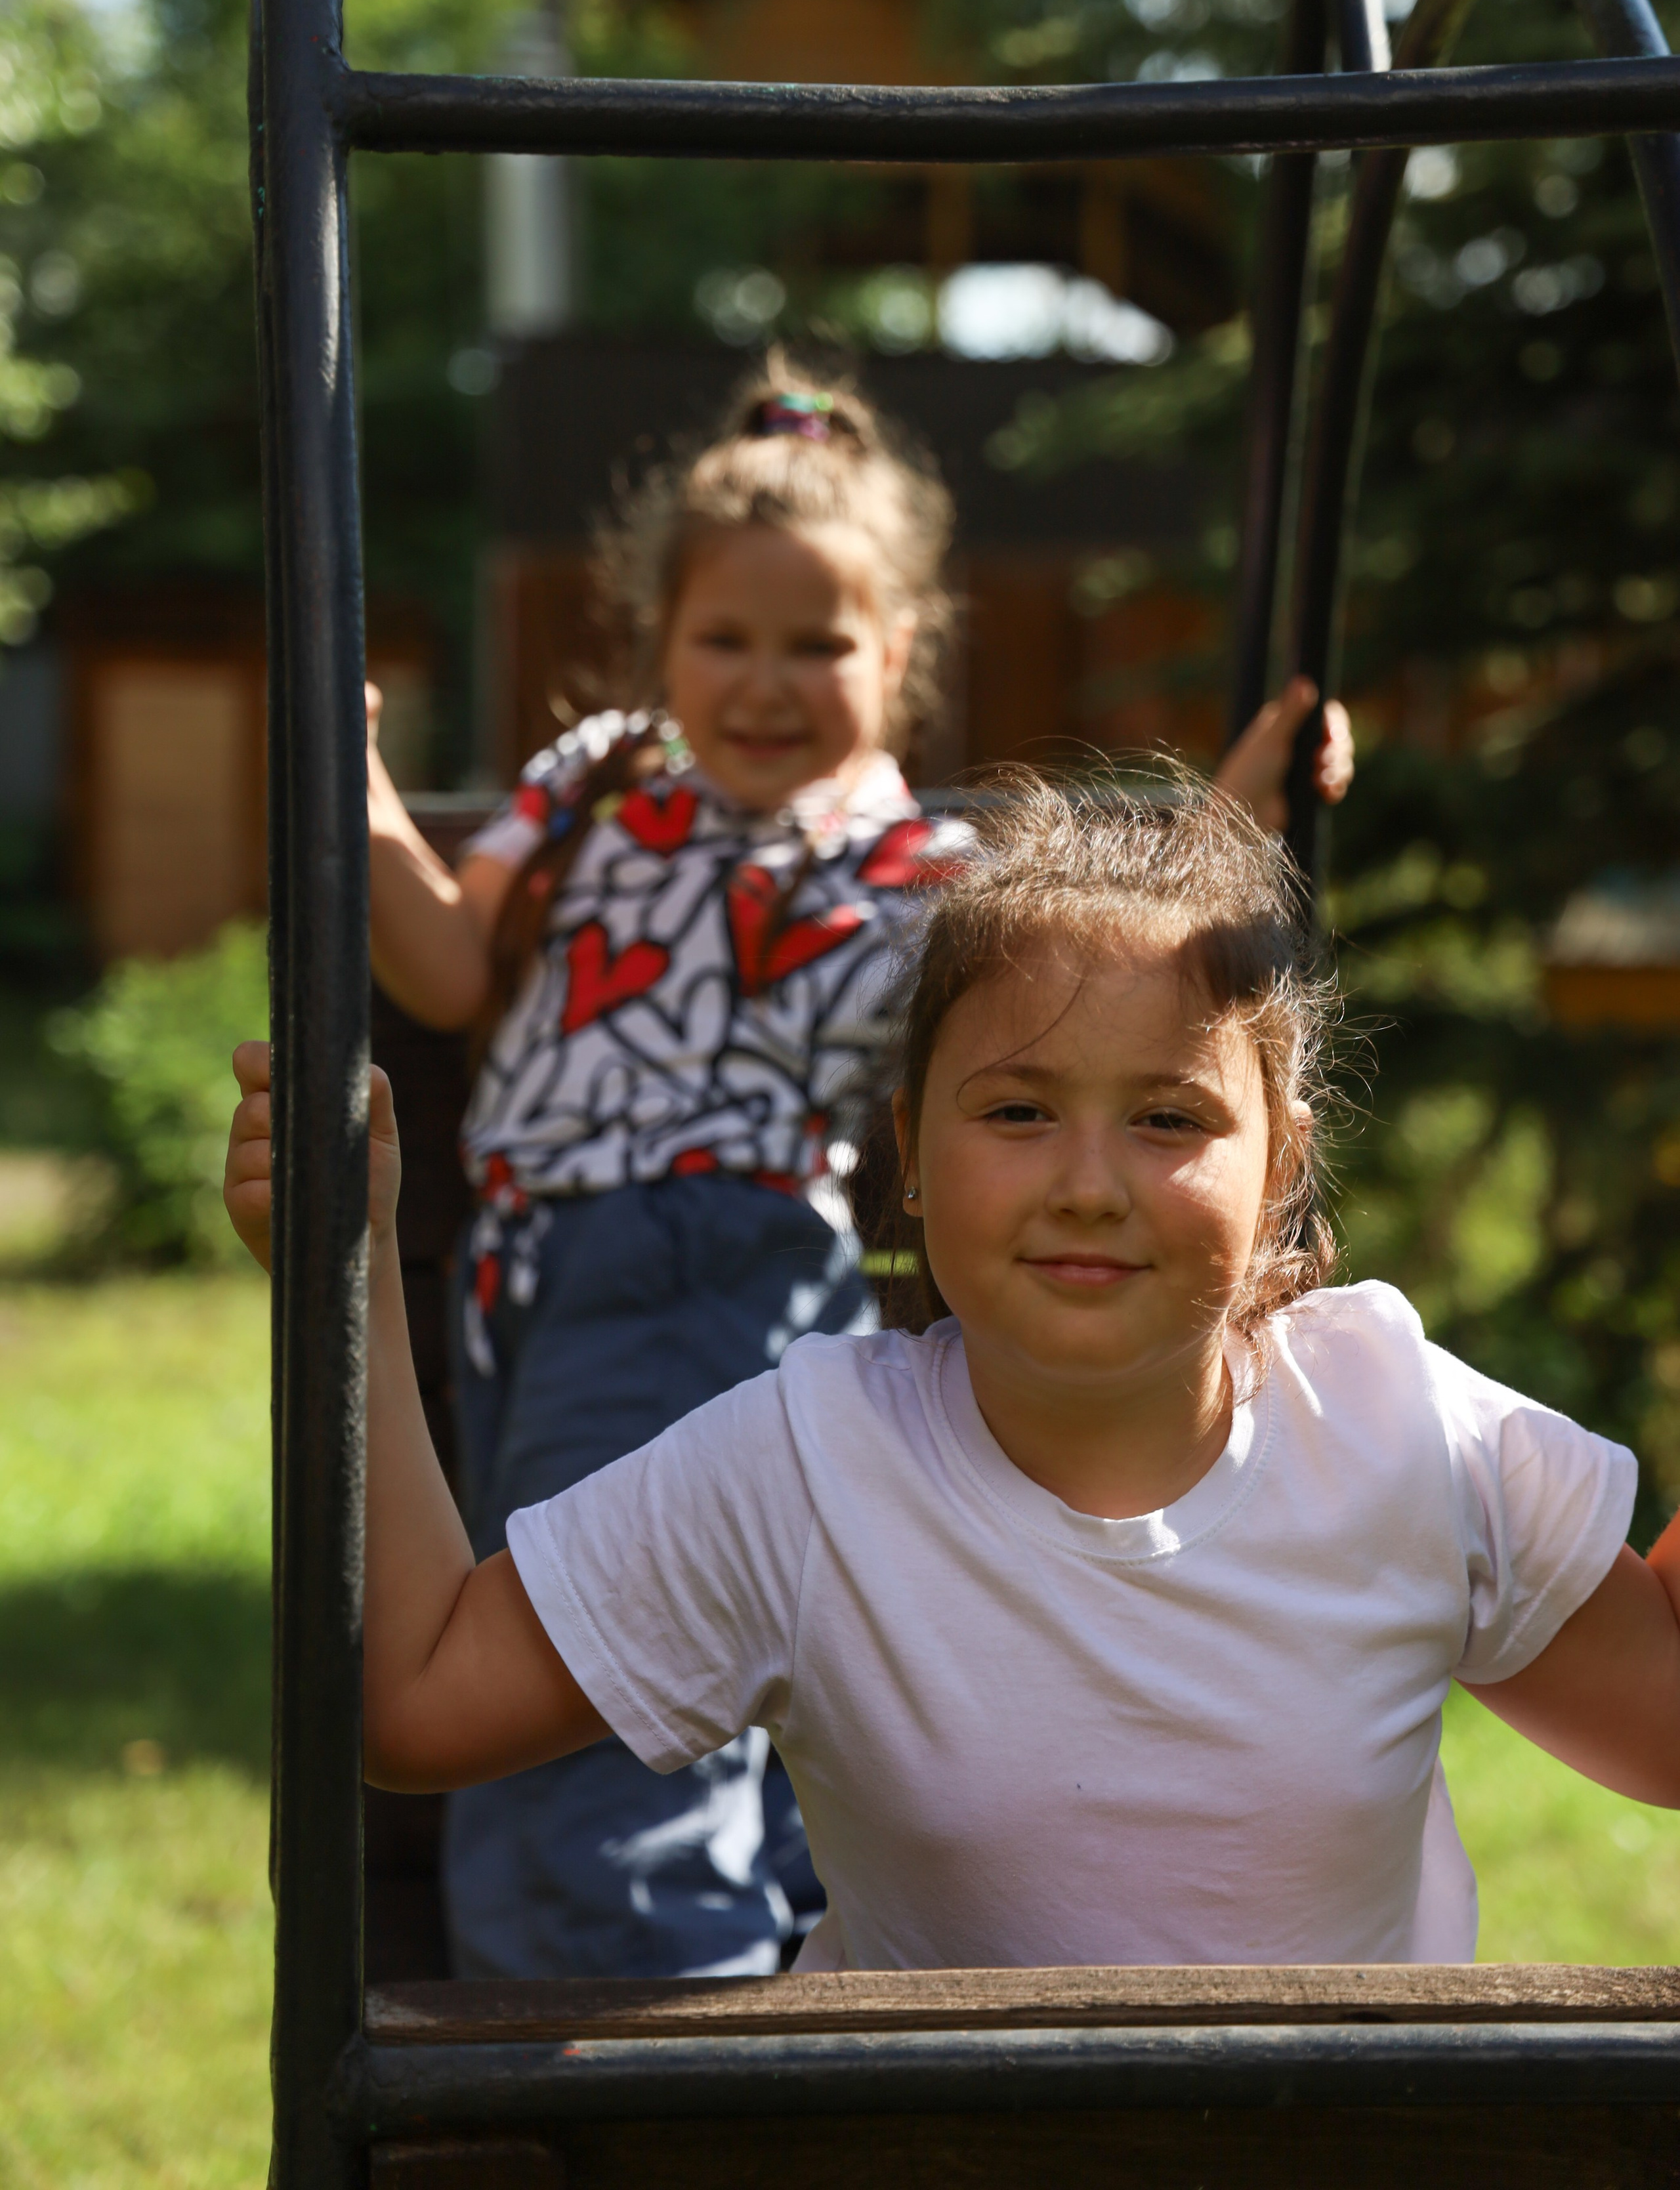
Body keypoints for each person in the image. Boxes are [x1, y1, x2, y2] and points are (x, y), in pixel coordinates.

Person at [226, 770, 1680, 1971]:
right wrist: (345, 1268)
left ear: (1280, 1166)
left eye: (1169, 1120)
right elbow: (412, 1700)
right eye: (1019, 1111)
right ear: (912, 1154)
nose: (1089, 1184)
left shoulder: (1398, 1430)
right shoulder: (809, 1472)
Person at [356, 355, 1354, 1978]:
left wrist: (1245, 800)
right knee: (639, 1606)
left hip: (729, 1254)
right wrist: (354, 771)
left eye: (816, 644)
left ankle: (616, 1976)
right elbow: (451, 967)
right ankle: (699, 1954)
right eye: (723, 642)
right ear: (656, 647)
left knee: (670, 1628)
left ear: (897, 657)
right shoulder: (598, 783)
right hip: (548, 1276)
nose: (764, 683)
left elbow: (1111, 966)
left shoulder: (915, 866)